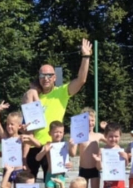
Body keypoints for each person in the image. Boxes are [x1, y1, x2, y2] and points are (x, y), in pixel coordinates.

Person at [21, 38, 93, 180]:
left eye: (49, 75)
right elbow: (26, 124)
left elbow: (81, 80)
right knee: (27, 185)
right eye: (42, 75)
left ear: (54, 77)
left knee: (54, 187)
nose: (46, 78)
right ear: (39, 77)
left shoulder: (62, 92)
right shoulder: (32, 94)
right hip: (33, 146)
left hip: (53, 146)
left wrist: (85, 57)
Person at [71, 107, 106, 188]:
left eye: (92, 120)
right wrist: (71, 144)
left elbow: (112, 141)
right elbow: (72, 153)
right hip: (83, 169)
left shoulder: (98, 135)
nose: (90, 123)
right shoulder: (79, 136)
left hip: (95, 169)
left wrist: (106, 129)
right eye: (87, 121)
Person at [37, 121, 73, 188]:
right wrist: (44, 151)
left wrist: (70, 164)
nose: (58, 134)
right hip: (50, 176)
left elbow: (70, 157)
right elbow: (37, 158)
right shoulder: (47, 145)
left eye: (60, 132)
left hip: (60, 176)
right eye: (56, 132)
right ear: (50, 133)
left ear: (63, 133)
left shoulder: (65, 145)